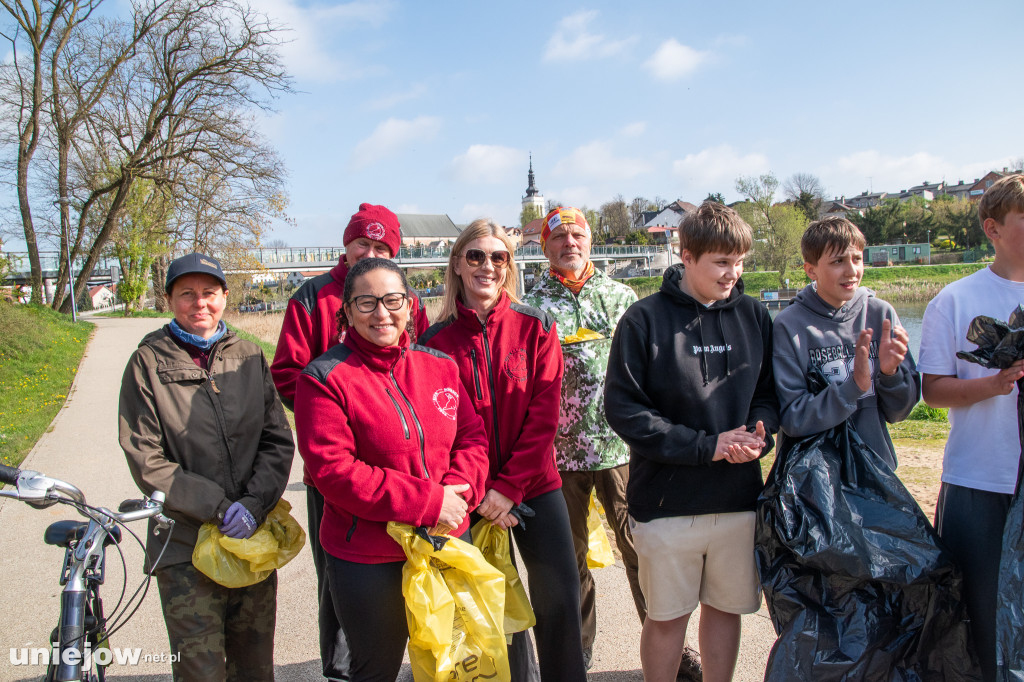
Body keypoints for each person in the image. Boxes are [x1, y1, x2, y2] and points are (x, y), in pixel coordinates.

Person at [605, 201, 779, 682]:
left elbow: (768, 395)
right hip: (665, 503)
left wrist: (761, 433)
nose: (733, 273)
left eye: (740, 261)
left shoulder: (754, 316)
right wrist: (708, 446)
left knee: (726, 610)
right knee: (667, 618)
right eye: (721, 262)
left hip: (739, 497)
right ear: (685, 255)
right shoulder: (643, 320)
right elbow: (625, 411)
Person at [293, 257, 489, 682]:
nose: (382, 313)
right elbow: (335, 471)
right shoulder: (324, 379)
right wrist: (430, 501)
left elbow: (472, 437)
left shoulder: (439, 365)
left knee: (454, 664)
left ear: (409, 304)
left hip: (445, 539)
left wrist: (459, 491)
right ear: (346, 312)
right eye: (366, 302)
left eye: (392, 299)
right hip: (367, 556)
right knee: (375, 667)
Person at [522, 206, 699, 675]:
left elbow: (655, 366)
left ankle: (672, 656)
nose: (570, 244)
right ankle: (573, 658)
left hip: (624, 449)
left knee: (644, 552)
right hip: (559, 454)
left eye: (578, 235)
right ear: (545, 246)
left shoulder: (622, 297)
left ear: (590, 240)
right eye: (559, 238)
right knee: (569, 562)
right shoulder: (531, 305)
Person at [421, 219, 587, 681]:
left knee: (559, 597)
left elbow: (544, 417)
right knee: (488, 606)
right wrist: (476, 493)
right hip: (467, 494)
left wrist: (510, 488)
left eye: (498, 257)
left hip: (533, 485)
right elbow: (439, 429)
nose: (487, 266)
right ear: (457, 263)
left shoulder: (535, 326)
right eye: (475, 256)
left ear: (509, 265)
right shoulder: (433, 343)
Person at [270, 203, 429, 681]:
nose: (371, 252)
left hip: (404, 465)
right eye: (364, 242)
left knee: (407, 564)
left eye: (383, 246)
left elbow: (415, 364)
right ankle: (343, 665)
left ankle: (403, 652)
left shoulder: (407, 299)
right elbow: (286, 372)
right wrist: (339, 417)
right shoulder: (312, 296)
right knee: (339, 571)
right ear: (347, 244)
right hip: (337, 461)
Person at [119, 252, 294, 682]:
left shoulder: (250, 356)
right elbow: (146, 456)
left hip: (251, 539)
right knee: (201, 672)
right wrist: (216, 507)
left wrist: (253, 504)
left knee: (254, 669)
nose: (200, 303)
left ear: (225, 297)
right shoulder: (148, 363)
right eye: (187, 294)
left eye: (210, 293)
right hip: (183, 545)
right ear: (169, 300)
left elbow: (276, 440)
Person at [919, 173, 1024, 681]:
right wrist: (993, 384)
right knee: (977, 613)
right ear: (993, 228)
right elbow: (933, 390)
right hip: (979, 480)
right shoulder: (954, 299)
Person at [773, 216, 919, 468]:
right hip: (812, 479)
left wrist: (890, 373)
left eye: (857, 259)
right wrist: (853, 388)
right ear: (811, 270)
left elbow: (899, 412)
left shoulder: (881, 315)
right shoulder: (789, 325)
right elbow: (792, 418)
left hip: (876, 469)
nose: (851, 270)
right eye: (838, 261)